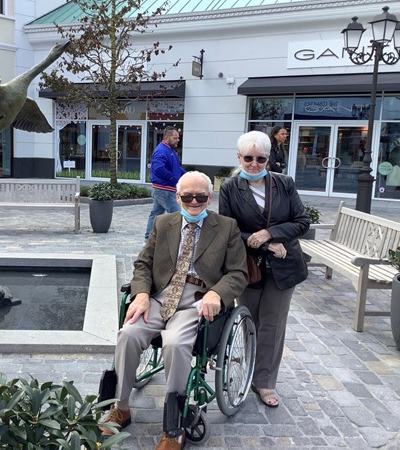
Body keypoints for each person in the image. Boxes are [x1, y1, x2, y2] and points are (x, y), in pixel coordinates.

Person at [102, 171, 248, 449]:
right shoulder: (163, 222)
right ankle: (120, 407)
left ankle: (173, 424)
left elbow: (238, 273)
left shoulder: (227, 227)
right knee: (128, 334)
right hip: (159, 296)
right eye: (187, 196)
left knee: (175, 342)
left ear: (210, 198)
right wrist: (142, 293)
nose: (194, 202)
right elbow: (143, 263)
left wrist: (217, 293)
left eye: (201, 196)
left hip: (197, 299)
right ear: (177, 197)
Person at [218, 131, 310, 408]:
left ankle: (265, 381)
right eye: (248, 158)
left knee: (272, 324)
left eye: (260, 158)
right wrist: (262, 244)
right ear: (239, 158)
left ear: (269, 159)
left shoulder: (284, 184)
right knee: (249, 321)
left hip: (284, 267)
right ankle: (247, 368)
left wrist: (271, 234)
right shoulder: (230, 188)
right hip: (248, 266)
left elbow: (302, 222)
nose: (254, 164)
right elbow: (228, 229)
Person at [143, 127, 186, 244]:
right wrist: (172, 177)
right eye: (175, 138)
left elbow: (176, 168)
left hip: (164, 188)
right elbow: (158, 168)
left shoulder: (170, 150)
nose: (178, 140)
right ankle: (178, 241)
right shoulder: (162, 151)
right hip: (165, 189)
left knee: (155, 214)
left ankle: (148, 240)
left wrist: (188, 175)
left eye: (178, 138)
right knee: (177, 214)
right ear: (166, 138)